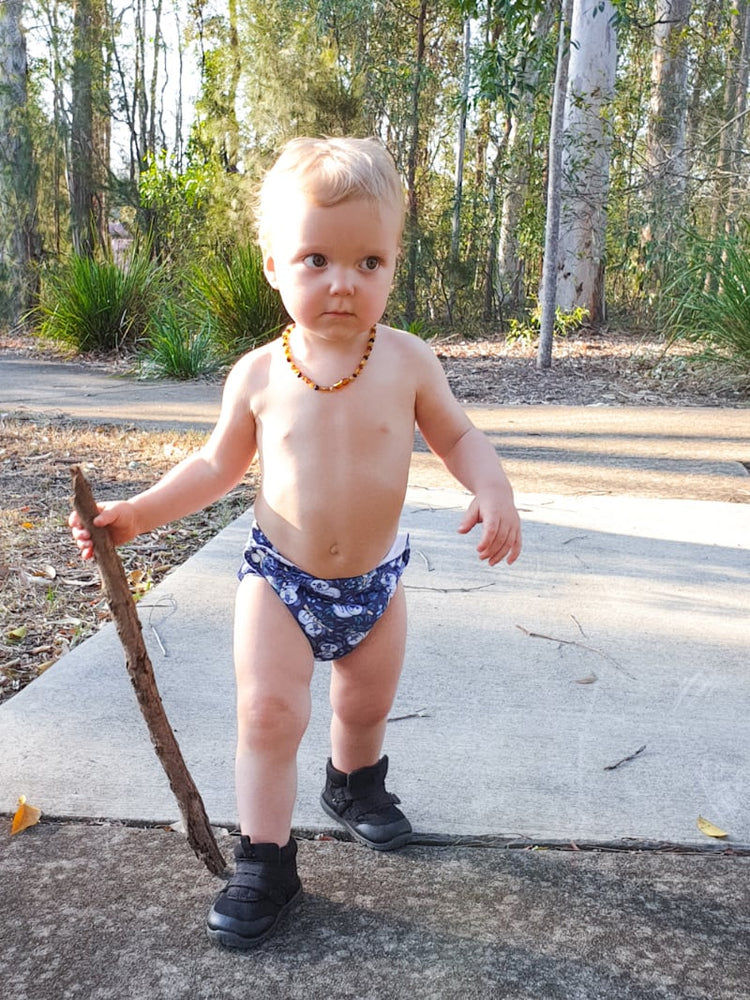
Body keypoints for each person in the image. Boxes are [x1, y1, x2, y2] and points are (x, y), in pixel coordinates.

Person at [69, 136, 522, 950]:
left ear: (392, 266)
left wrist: (491, 488)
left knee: (364, 704)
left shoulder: (410, 363)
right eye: (317, 258)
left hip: (376, 585)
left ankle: (354, 785)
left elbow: (459, 436)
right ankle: (267, 859)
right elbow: (216, 466)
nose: (344, 283)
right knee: (270, 714)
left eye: (370, 262)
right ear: (274, 263)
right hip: (280, 581)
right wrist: (137, 514)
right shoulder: (259, 374)